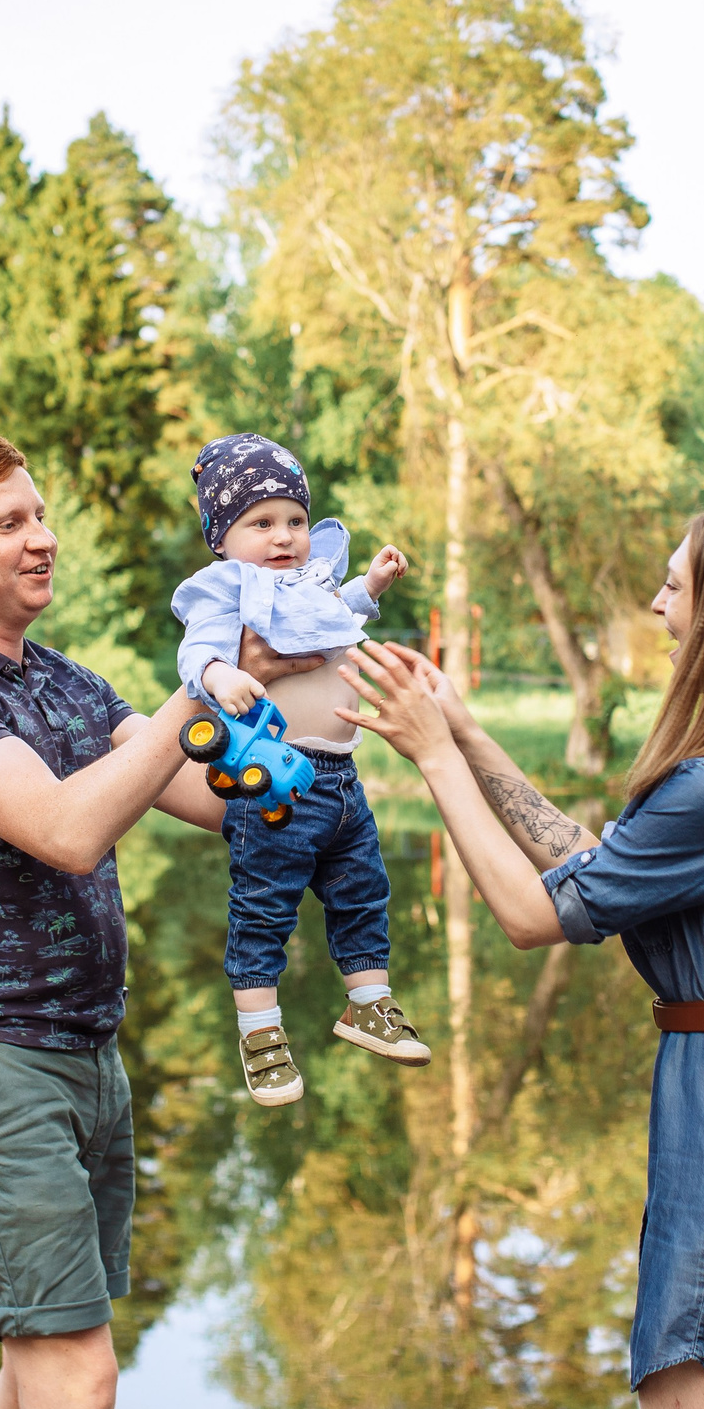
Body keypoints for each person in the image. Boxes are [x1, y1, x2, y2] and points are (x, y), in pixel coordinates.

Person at [336, 499, 704, 1409]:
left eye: (676, 585)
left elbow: (529, 913)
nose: (658, 604)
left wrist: (428, 757)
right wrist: (464, 732)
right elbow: (594, 863)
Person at [0, 429, 318, 1409]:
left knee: (36, 1375)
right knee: (77, 1379)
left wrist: (299, 724)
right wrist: (199, 689)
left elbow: (195, 793)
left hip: (80, 1056)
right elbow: (66, 829)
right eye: (9, 523)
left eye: (40, 515)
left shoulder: (64, 683)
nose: (42, 539)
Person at [171, 432, 430, 1106]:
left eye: (293, 520)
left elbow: (337, 620)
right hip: (275, 784)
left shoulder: (312, 586)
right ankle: (261, 1035)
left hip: (344, 781)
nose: (283, 535)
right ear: (222, 539)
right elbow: (195, 649)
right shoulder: (227, 589)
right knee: (263, 907)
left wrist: (370, 586)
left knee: (363, 892)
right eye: (260, 524)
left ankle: (368, 1003)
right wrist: (219, 672)